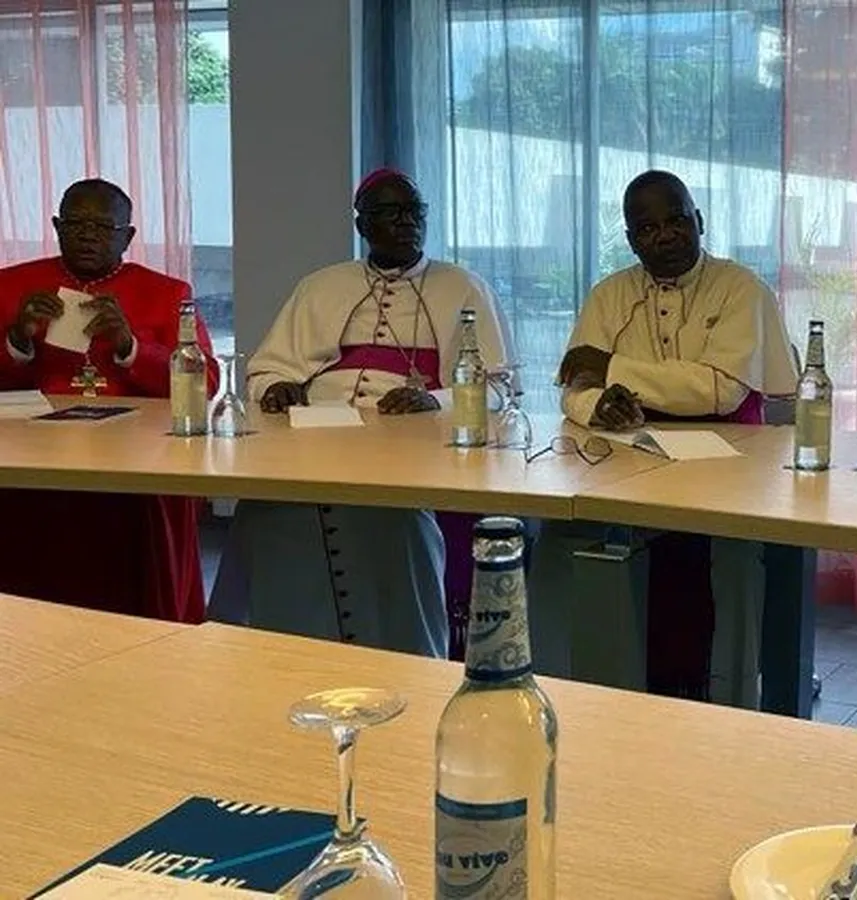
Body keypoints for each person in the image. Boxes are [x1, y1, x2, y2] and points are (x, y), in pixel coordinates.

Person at [209, 169, 508, 657]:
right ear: (362, 224)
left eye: (415, 212)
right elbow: (268, 367)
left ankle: (401, 648)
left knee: (394, 522)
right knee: (269, 511)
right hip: (315, 436)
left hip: (410, 445)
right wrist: (276, 386)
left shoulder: (463, 287)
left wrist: (434, 400)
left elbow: (497, 386)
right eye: (390, 213)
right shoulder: (321, 286)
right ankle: (281, 649)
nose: (407, 222)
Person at [543, 169, 797, 702]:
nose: (665, 236)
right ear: (631, 238)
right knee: (570, 546)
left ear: (699, 220)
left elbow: (719, 390)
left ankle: (726, 701)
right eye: (647, 228)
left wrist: (612, 368)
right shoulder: (609, 294)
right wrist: (598, 404)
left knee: (727, 575)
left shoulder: (740, 288)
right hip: (633, 464)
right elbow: (573, 387)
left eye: (677, 220)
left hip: (728, 467)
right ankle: (610, 696)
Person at [0, 178, 216, 622]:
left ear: (127, 236)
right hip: (34, 461)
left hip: (135, 465)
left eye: (102, 226)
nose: (87, 235)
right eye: (75, 224)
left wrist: (130, 345)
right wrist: (17, 338)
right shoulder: (11, 285)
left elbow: (205, 382)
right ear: (56, 227)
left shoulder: (167, 293)